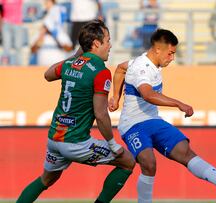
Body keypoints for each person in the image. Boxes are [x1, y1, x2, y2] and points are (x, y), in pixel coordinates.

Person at [109, 28, 216, 202]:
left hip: (152, 120)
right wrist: (178, 103)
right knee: (149, 163)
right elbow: (148, 95)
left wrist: (115, 96)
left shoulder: (142, 63)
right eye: (170, 53)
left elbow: (121, 69)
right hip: (132, 124)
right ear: (158, 49)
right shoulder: (141, 68)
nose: (172, 58)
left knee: (184, 150)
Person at [16, 20, 135, 203]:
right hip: (76, 143)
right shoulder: (100, 72)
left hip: (54, 139)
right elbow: (101, 114)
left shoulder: (70, 64)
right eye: (107, 41)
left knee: (46, 179)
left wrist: (78, 54)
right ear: (96, 43)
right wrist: (112, 144)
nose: (110, 46)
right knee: (127, 161)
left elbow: (47, 75)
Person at [30, 0, 73, 66]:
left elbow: (69, 49)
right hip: (41, 69)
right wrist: (39, 40)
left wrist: (57, 39)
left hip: (56, 70)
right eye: (46, 26)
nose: (47, 28)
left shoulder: (60, 33)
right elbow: (32, 50)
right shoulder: (40, 34)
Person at [0, 0, 24, 65]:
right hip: (6, 23)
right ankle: (4, 66)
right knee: (6, 46)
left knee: (18, 46)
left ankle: (19, 66)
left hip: (17, 23)